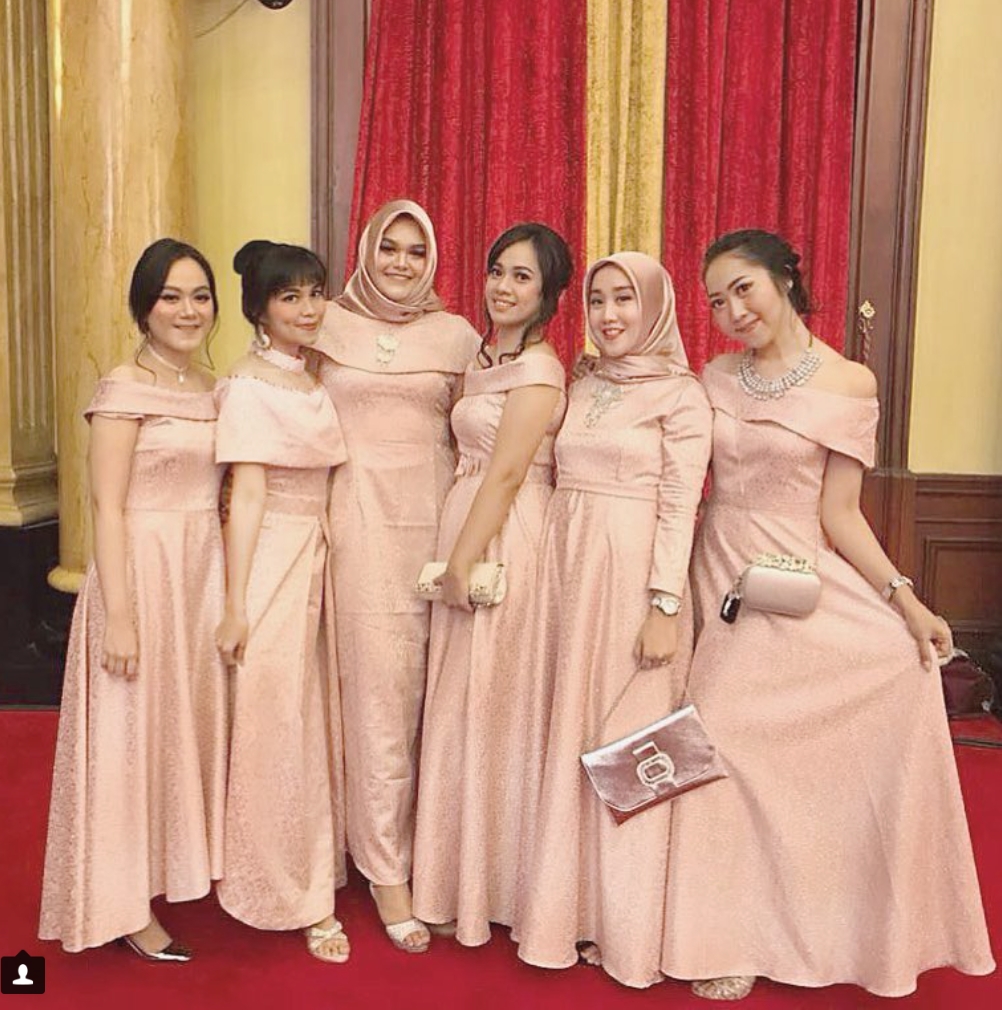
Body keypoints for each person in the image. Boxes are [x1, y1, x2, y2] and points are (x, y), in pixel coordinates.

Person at [661, 229, 995, 999]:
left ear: (784, 278)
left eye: (743, 288)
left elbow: (841, 514)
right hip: (720, 576)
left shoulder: (849, 382)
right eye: (716, 300)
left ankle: (820, 921)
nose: (732, 310)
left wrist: (906, 599)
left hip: (795, 578)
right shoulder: (714, 376)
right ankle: (722, 937)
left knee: (890, 674)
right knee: (715, 741)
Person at [516, 252, 711, 987]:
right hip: (568, 570)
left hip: (633, 577)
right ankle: (569, 913)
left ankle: (629, 932)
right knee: (571, 735)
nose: (608, 315)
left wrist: (664, 603)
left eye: (625, 299)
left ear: (655, 306)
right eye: (597, 300)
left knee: (634, 747)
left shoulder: (683, 396)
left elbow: (681, 502)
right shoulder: (584, 382)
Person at [39, 239, 227, 959]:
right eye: (171, 296)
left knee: (174, 733)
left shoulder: (215, 388)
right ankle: (120, 906)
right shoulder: (121, 389)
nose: (188, 310)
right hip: (139, 576)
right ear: (144, 307)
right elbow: (106, 508)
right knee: (126, 739)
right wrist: (118, 616)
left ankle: (168, 868)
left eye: (200, 296)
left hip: (200, 575)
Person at [313, 200, 479, 953]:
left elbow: (481, 429)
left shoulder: (458, 336)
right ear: (366, 251)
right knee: (375, 694)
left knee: (431, 698)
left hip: (437, 528)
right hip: (353, 526)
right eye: (390, 248)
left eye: (416, 251)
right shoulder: (325, 326)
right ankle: (385, 871)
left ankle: (435, 857)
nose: (402, 263)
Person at [411, 222, 573, 946]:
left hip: (505, 534)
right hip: (466, 520)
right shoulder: (481, 361)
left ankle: (498, 887)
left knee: (494, 702)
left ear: (549, 294)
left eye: (522, 277)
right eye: (498, 271)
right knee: (459, 702)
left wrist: (461, 561)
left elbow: (508, 472)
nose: (503, 287)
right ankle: (453, 878)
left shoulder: (539, 370)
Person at [214, 240, 350, 964]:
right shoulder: (247, 386)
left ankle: (314, 869)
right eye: (289, 296)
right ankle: (283, 890)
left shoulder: (309, 377)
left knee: (314, 721)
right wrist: (237, 603)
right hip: (271, 559)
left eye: (315, 293)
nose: (307, 308)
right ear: (260, 310)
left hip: (321, 554)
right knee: (275, 724)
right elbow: (247, 495)